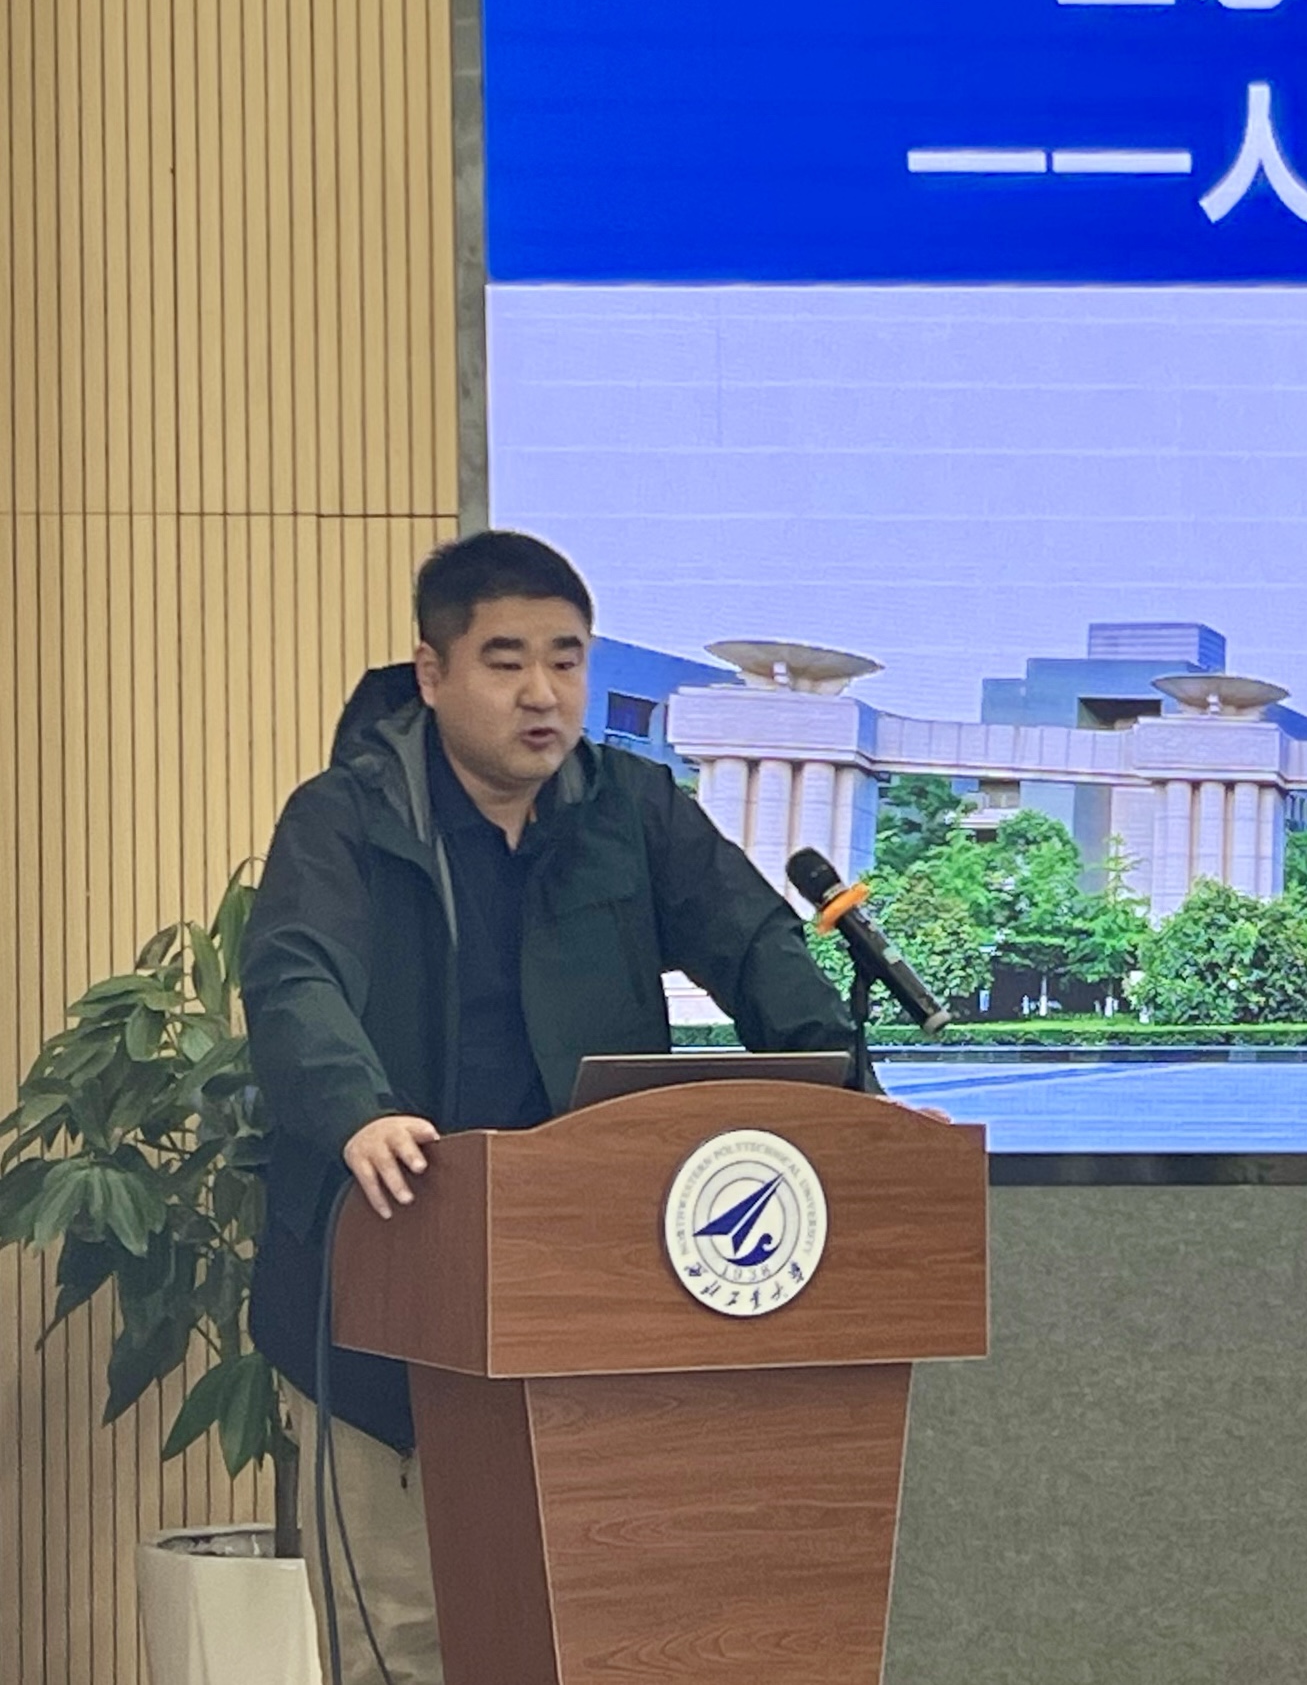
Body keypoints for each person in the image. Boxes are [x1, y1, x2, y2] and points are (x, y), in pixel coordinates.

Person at [243, 531, 870, 1681]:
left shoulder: (632, 807)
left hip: (590, 1291)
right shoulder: (343, 816)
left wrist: (852, 1100)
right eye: (506, 660)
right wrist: (356, 1109)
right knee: (408, 1640)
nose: (543, 692)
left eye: (567, 659)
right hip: (387, 1283)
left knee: (598, 1626)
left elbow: (754, 946)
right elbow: (294, 977)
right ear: (433, 673)